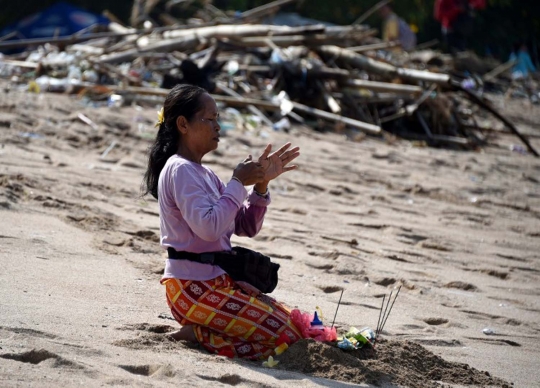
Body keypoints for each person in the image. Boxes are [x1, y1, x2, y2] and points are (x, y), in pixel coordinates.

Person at [143, 84, 304, 360]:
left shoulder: (204, 173)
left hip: (218, 282)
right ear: (183, 124)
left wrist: (261, 187)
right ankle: (202, 334)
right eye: (210, 119)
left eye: (219, 119)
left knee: (295, 325)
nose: (218, 127)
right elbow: (208, 228)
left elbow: (245, 226)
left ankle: (204, 333)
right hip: (191, 289)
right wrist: (239, 182)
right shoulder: (179, 169)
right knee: (285, 336)